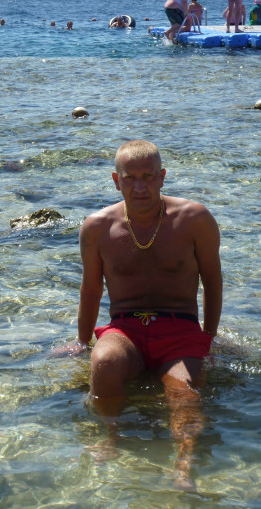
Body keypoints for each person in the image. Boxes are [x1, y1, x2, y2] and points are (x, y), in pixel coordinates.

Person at [55, 139, 222, 490]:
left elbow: (212, 280)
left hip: (179, 329)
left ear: (162, 177)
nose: (140, 187)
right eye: (130, 178)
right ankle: (110, 439)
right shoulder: (97, 227)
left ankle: (184, 465)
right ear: (116, 181)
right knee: (104, 363)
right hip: (126, 329)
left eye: (148, 177)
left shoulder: (195, 219)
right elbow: (90, 290)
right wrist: (82, 342)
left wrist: (209, 337)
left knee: (184, 391)